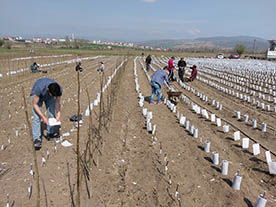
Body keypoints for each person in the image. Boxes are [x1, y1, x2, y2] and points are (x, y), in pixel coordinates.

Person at [30, 78, 62, 150]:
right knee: (37, 117)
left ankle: (50, 133)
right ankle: (37, 139)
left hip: (48, 96)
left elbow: (57, 102)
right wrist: (43, 117)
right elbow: (35, 104)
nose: (54, 96)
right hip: (38, 96)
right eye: (52, 95)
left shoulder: (58, 89)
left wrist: (58, 113)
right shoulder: (39, 88)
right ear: (48, 90)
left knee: (51, 114)